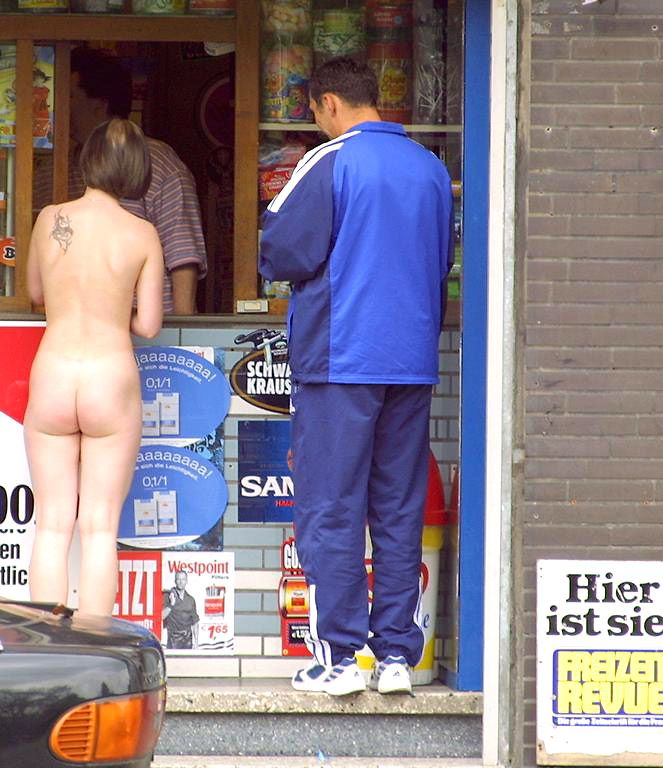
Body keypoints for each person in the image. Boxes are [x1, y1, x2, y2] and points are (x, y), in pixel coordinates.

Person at [259, 57, 454, 696]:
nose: (318, 123)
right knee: (398, 506)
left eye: (316, 112)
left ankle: (339, 659)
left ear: (330, 103)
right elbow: (442, 258)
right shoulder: (430, 167)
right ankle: (396, 656)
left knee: (331, 504)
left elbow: (281, 251)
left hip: (341, 357)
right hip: (411, 360)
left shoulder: (330, 160)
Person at [24, 118, 165, 617]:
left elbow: (35, 293)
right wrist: (112, 306)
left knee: (52, 524)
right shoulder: (142, 234)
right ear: (137, 170)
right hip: (110, 374)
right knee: (100, 528)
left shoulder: (49, 218)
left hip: (54, 371)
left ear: (88, 161)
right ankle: (97, 647)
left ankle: (46, 644)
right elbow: (149, 324)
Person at [42, 46, 207, 315]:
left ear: (100, 103)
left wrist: (184, 329)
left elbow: (183, 255)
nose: (58, 107)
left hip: (151, 331)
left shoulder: (158, 162)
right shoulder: (52, 168)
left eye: (69, 96)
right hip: (76, 322)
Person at [162, 570, 199, 650]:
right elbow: (161, 617)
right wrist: (171, 604)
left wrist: (196, 642)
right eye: (178, 579)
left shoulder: (191, 599)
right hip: (173, 639)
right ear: (175, 581)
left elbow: (195, 622)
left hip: (188, 639)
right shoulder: (168, 596)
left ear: (186, 581)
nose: (181, 582)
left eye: (183, 579)